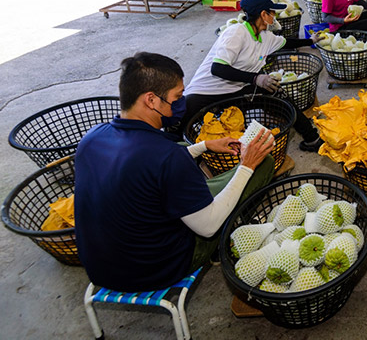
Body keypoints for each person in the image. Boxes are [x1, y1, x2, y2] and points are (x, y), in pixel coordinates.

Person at [74, 52, 276, 292]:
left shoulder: (92, 138)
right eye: (177, 97)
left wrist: (203, 146)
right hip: (156, 269)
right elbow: (208, 226)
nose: (181, 103)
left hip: (102, 268)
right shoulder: (166, 156)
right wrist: (247, 166)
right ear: (151, 100)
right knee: (262, 163)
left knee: (181, 148)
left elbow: (141, 169)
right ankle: (227, 237)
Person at [182, 0, 324, 152]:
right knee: (183, 123)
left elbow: (287, 43)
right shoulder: (236, 33)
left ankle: (311, 138)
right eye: (272, 13)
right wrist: (256, 78)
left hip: (237, 89)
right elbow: (218, 68)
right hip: (205, 93)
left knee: (278, 94)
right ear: (263, 14)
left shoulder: (266, 37)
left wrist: (310, 41)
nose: (274, 17)